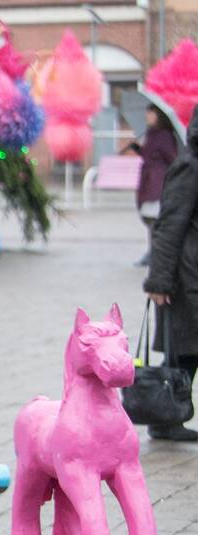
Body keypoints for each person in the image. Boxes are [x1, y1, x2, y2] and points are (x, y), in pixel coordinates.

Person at [143, 110, 198, 441]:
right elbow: (169, 225)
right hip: (188, 276)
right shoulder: (190, 164)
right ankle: (165, 416)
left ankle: (167, 415)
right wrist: (159, 280)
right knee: (185, 349)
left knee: (188, 348)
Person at [129, 105, 178, 267]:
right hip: (148, 182)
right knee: (150, 220)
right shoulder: (151, 134)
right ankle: (153, 251)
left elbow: (172, 158)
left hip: (158, 183)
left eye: (150, 113)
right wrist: (137, 148)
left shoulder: (165, 136)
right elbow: (149, 155)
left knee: (155, 219)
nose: (147, 116)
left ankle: (157, 253)